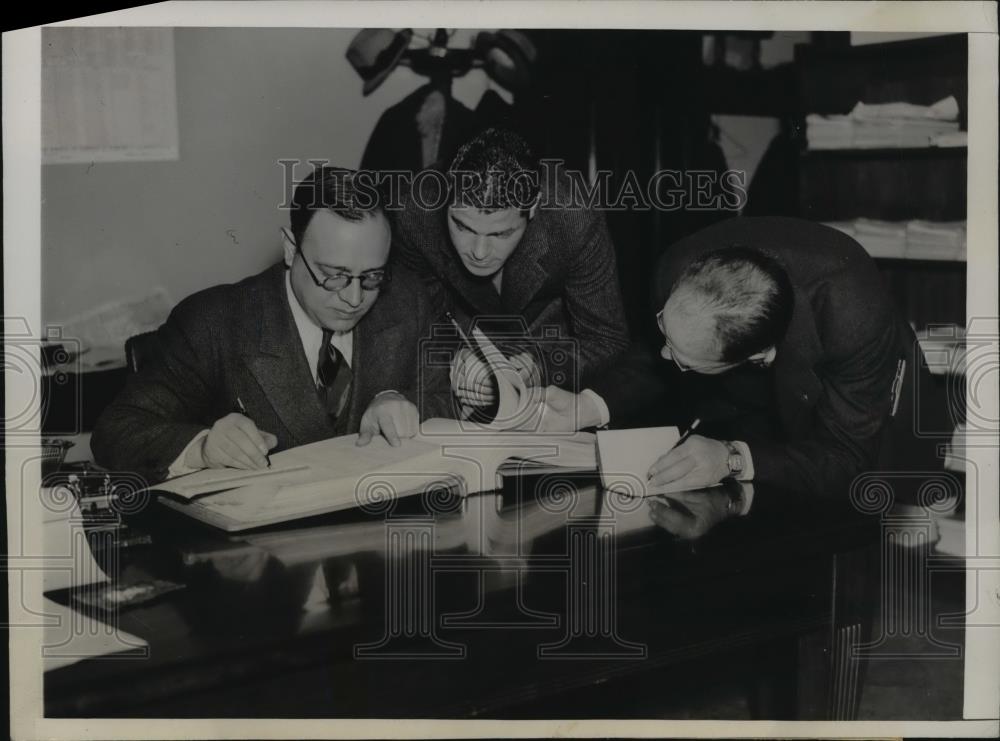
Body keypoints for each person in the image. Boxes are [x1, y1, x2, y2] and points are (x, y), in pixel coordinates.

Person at [531, 216, 947, 498]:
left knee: (861, 529)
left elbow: (846, 456)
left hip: (870, 415)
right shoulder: (675, 269)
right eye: (664, 327)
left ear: (761, 355)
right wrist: (585, 404)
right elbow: (664, 352)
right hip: (753, 395)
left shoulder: (853, 316)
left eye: (679, 356)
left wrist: (732, 458)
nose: (662, 352)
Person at [92, 167, 452, 480]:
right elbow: (117, 431)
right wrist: (202, 447)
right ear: (291, 249)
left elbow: (448, 400)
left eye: (371, 276)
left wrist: (400, 400)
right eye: (334, 275)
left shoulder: (406, 300)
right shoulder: (214, 323)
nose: (355, 299)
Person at [391, 127, 630, 417]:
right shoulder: (415, 212)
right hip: (457, 376)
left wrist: (542, 367)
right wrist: (453, 358)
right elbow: (422, 318)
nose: (478, 252)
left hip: (554, 376)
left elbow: (606, 337)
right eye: (462, 226)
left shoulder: (573, 217)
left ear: (532, 208)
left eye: (501, 233)